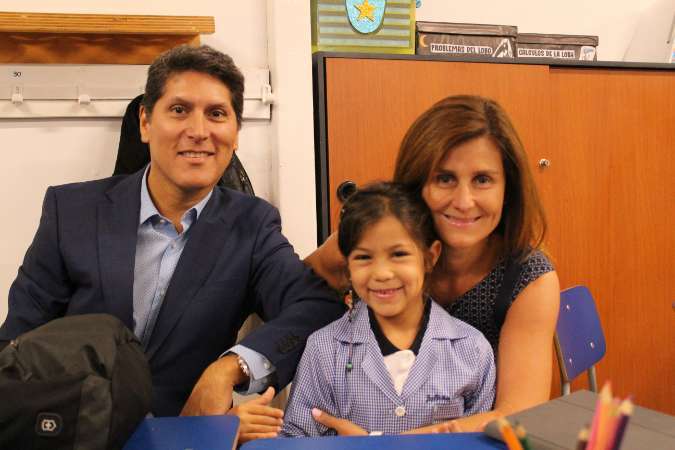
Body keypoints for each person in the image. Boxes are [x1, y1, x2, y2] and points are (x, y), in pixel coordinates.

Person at [0, 45, 345, 442]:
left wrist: (229, 368)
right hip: (72, 437)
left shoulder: (251, 225)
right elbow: (16, 349)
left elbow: (315, 305)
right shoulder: (72, 211)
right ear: (146, 122)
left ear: (235, 133)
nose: (198, 131)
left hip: (184, 438)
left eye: (217, 114)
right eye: (179, 110)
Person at [306, 95, 560, 432]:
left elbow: (518, 415)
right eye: (445, 178)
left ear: (507, 189)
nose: (464, 202)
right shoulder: (373, 243)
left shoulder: (529, 278)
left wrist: (380, 443)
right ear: (416, 184)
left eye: (482, 180)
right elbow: (299, 290)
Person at [282, 182, 496, 436]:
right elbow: (296, 438)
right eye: (364, 257)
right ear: (347, 265)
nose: (382, 273)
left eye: (398, 254)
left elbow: (482, 442)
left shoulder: (472, 350)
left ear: (430, 257)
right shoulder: (324, 349)